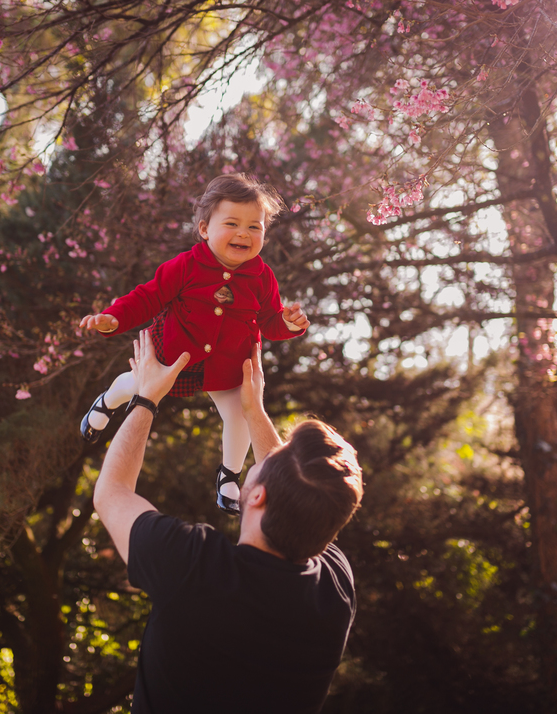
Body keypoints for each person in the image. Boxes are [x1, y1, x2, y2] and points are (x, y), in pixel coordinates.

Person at [93, 331, 363, 714]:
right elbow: (297, 490)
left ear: (256, 496)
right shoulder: (334, 588)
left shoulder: (193, 567)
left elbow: (111, 493)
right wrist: (253, 412)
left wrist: (146, 398)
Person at [79, 173, 309, 515]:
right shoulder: (186, 265)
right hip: (177, 352)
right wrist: (114, 318)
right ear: (204, 229)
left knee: (240, 415)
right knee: (138, 384)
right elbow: (148, 297)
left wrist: (288, 323)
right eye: (232, 223)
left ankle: (229, 475)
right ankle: (107, 402)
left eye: (255, 227)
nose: (244, 233)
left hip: (230, 364)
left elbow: (270, 322)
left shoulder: (263, 277)